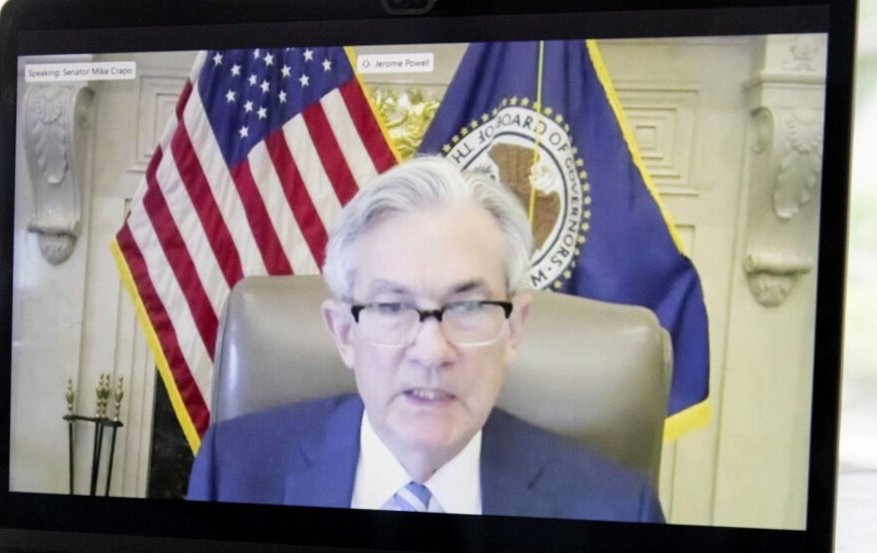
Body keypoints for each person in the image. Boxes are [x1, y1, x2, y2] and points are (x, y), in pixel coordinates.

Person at [187, 156, 664, 523]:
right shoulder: (233, 475)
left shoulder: (618, 510)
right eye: (392, 307)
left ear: (514, 329)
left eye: (468, 307)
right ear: (344, 333)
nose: (432, 353)